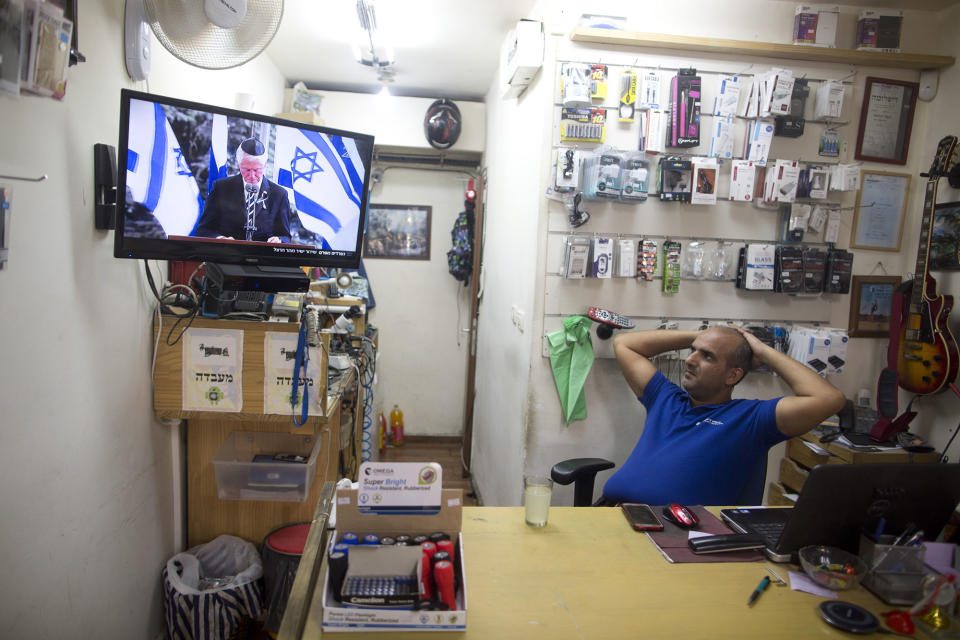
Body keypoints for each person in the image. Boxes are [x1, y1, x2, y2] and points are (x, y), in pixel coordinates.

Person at [602, 326, 846, 505]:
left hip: (671, 535)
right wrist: (703, 335)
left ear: (733, 375)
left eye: (707, 356)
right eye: (693, 350)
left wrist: (761, 350)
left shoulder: (752, 419)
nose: (690, 360)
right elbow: (625, 343)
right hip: (612, 514)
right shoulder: (665, 398)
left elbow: (829, 399)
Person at [194, 138, 292, 243]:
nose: (252, 176)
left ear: (265, 165)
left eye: (256, 170)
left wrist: (279, 240)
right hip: (227, 256)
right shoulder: (221, 188)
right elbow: (203, 230)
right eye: (247, 170)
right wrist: (221, 239)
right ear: (238, 164)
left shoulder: (279, 194)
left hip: (262, 257)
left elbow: (285, 236)